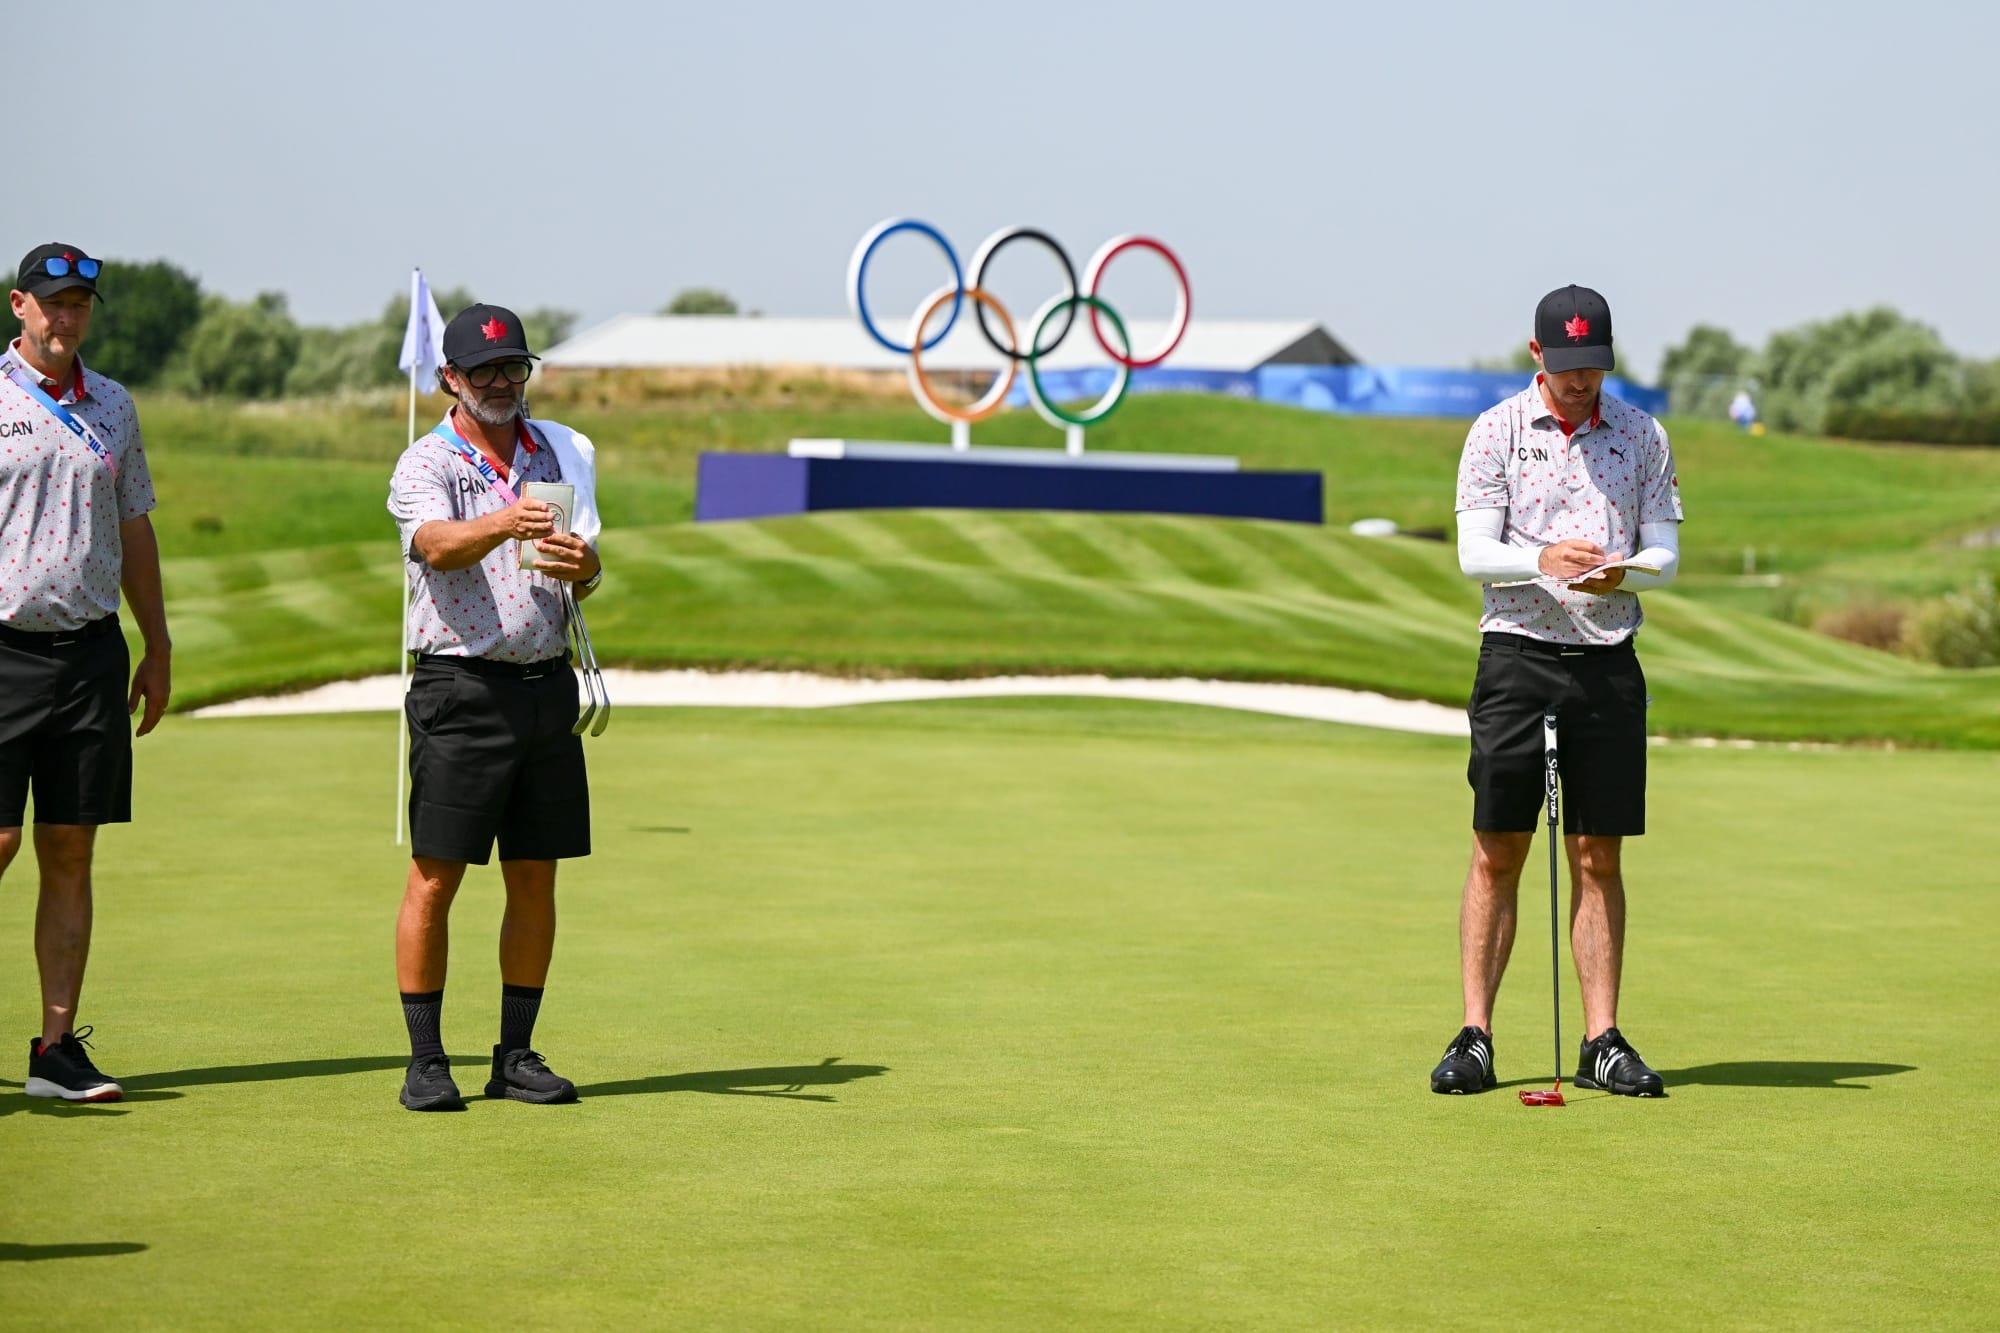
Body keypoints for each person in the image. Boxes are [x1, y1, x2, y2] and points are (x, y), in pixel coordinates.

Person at [1431, 284, 1683, 1098]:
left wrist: (1622, 570)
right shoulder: (1496, 430)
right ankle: (1476, 1034)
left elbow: (1665, 554)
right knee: (1497, 846)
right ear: (1537, 355)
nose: (1581, 382)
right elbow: (1474, 551)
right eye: (1567, 366)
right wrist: (1542, 561)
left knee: (1596, 853)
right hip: (1516, 654)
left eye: (1594, 367)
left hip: (1607, 657)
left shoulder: (1643, 435)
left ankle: (1601, 1040)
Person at [386, 303, 603, 1112]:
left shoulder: (562, 449)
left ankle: (514, 1055)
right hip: (460, 686)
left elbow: (584, 566)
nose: (504, 383)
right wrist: (504, 519)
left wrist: (585, 565)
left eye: (515, 367)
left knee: (535, 877)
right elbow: (434, 545)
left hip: (546, 684)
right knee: (436, 878)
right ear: (451, 379)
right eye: (486, 372)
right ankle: (425, 1059)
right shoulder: (425, 462)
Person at [2, 243, 171, 1103]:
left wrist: (158, 642)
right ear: (18, 306)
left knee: (70, 847)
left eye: (80, 305)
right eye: (52, 302)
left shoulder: (113, 404)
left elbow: (133, 523)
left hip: (92, 653)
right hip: (3, 654)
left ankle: (54, 1050)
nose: (66, 318)